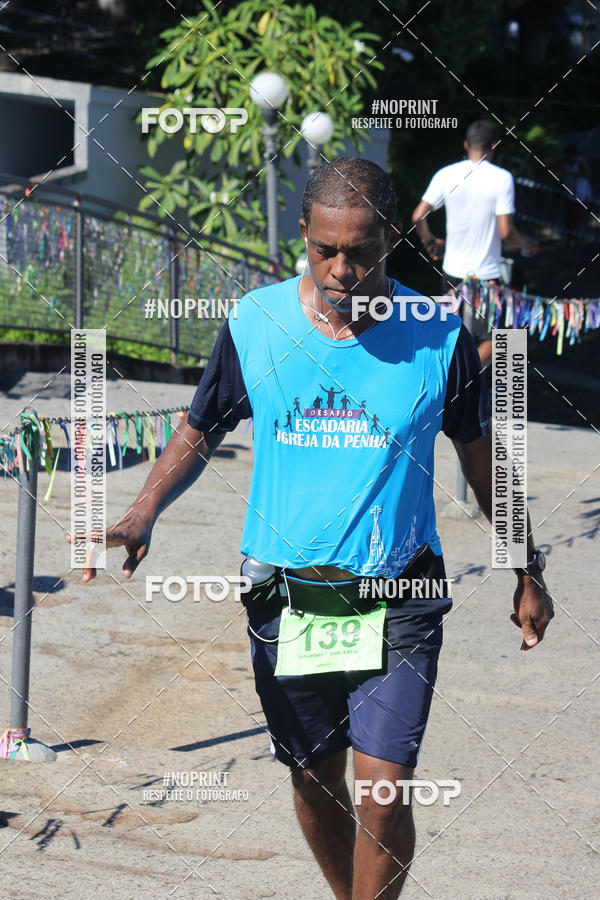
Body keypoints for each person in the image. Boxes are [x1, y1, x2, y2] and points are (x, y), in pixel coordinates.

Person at [69, 157, 554, 899]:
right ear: (303, 233)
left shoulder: (439, 336)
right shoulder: (256, 324)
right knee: (314, 779)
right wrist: (143, 510)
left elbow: (484, 464)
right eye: (324, 249)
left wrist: (527, 569)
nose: (340, 269)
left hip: (401, 592)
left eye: (359, 252)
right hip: (289, 593)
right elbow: (199, 429)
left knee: (383, 793)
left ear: (392, 240)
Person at [411, 120, 539, 369]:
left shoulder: (446, 174)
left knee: (453, 337)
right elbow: (506, 231)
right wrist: (530, 244)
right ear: (493, 147)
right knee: (499, 340)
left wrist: (430, 241)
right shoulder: (502, 178)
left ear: (466, 145)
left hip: (451, 273)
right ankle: (458, 383)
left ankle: (456, 386)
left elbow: (418, 216)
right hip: (485, 278)